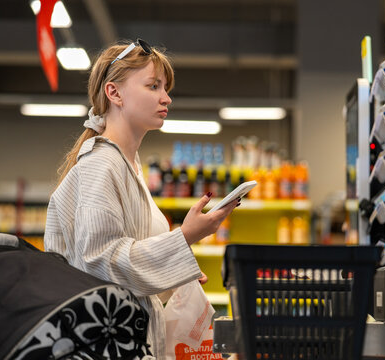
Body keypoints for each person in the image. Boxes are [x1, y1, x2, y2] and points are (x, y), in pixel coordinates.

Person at [44, 39, 239, 359]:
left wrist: (177, 274)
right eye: (153, 86)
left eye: (165, 87)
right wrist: (186, 236)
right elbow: (100, 262)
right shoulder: (101, 166)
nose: (166, 97)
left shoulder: (128, 166)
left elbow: (127, 269)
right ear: (114, 93)